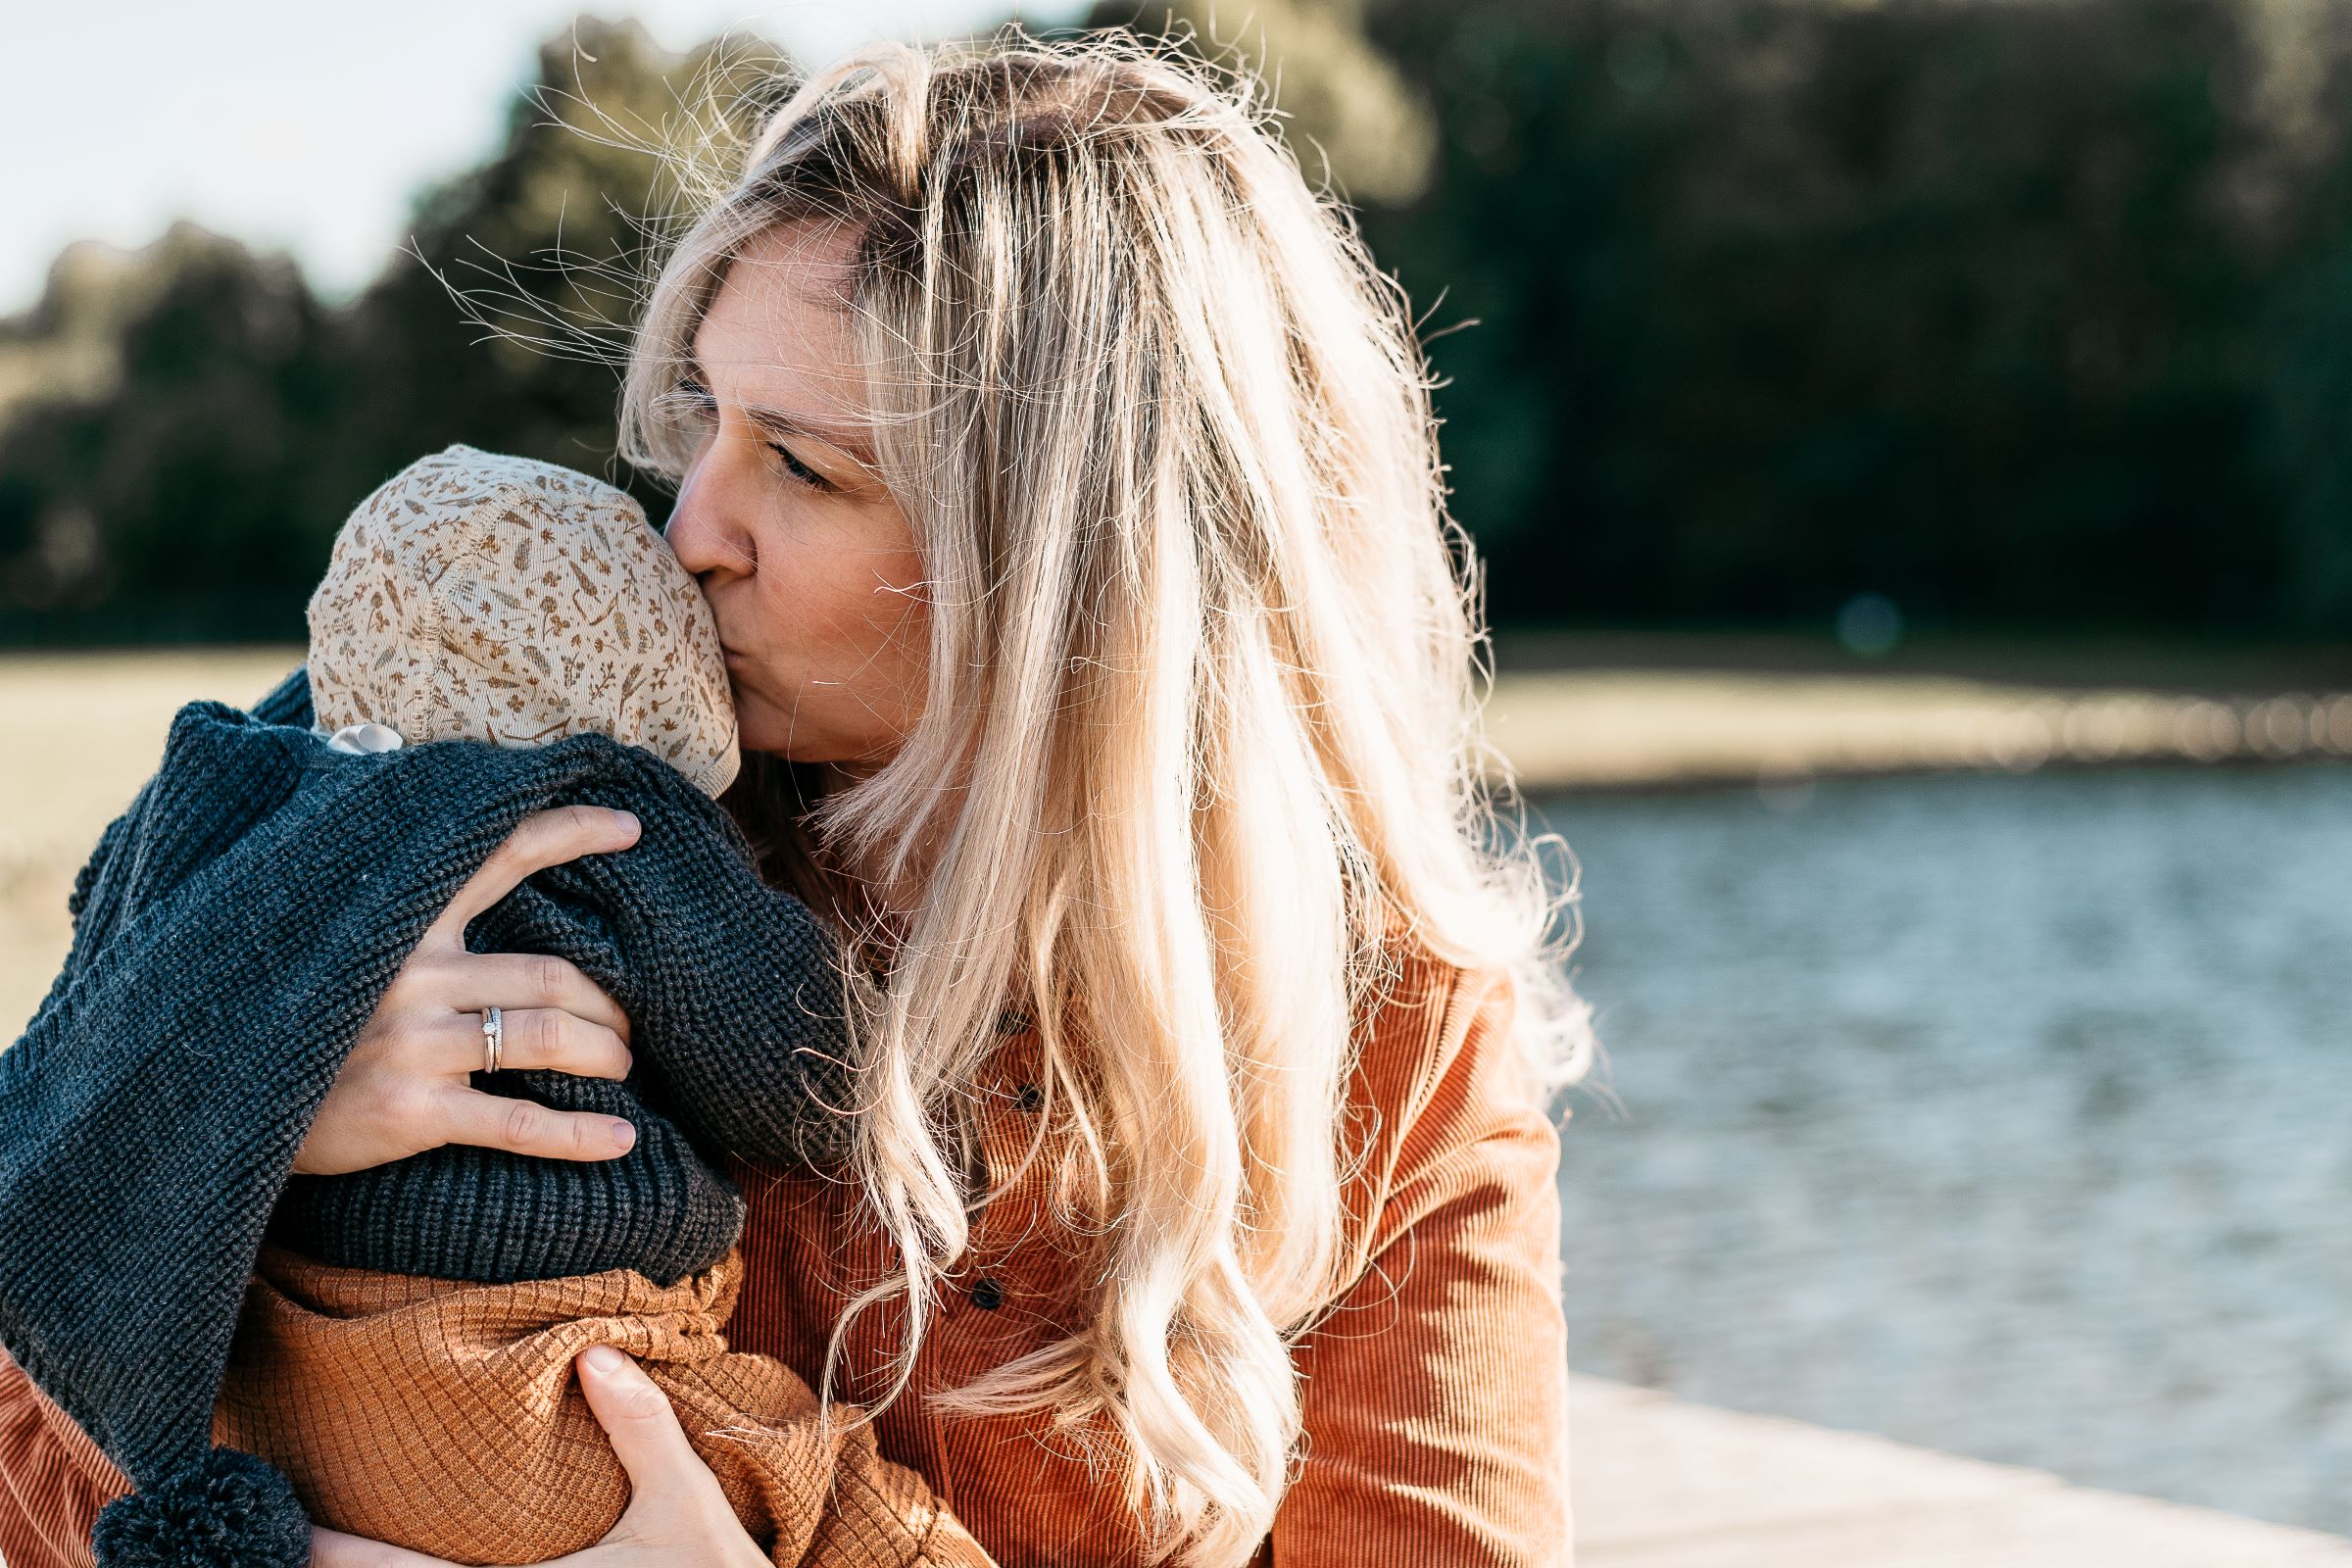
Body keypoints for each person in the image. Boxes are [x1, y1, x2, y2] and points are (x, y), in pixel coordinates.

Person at [0, 26, 1591, 1568]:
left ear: (1071, 576)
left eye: (804, 467)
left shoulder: (1392, 1037)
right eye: (702, 419)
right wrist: (239, 1113)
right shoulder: (457, 783)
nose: (689, 527)